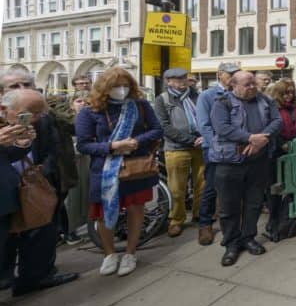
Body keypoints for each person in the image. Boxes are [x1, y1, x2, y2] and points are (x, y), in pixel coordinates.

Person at [76, 67, 162, 277]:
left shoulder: (140, 105)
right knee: (104, 214)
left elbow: (156, 129)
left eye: (125, 85)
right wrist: (112, 146)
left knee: (136, 210)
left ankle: (130, 253)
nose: (121, 90)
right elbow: (84, 145)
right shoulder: (90, 111)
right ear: (104, 88)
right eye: (116, 86)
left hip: (136, 168)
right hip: (105, 172)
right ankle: (110, 253)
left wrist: (135, 142)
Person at [0, 89, 79, 296]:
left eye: (39, 112)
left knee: (39, 235)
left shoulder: (41, 123)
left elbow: (11, 156)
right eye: (30, 112)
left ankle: (32, 278)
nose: (35, 118)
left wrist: (21, 145)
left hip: (26, 190)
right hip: (6, 195)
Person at [209, 70, 281, 266]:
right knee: (228, 206)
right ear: (234, 85)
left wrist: (262, 139)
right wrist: (250, 138)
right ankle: (231, 243)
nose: (252, 88)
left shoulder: (265, 100)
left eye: (253, 84)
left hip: (258, 162)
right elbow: (222, 128)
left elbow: (277, 121)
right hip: (229, 162)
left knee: (254, 202)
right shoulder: (221, 103)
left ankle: (248, 237)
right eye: (247, 85)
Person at [154, 68, 204, 237]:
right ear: (168, 82)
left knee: (202, 184)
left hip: (201, 146)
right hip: (176, 148)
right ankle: (176, 220)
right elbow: (164, 126)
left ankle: (200, 216)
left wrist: (203, 137)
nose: (182, 81)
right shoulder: (162, 100)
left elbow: (206, 118)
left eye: (183, 77)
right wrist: (190, 140)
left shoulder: (196, 96)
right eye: (176, 79)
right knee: (177, 189)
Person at [195, 61, 239, 245]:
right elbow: (204, 125)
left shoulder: (238, 94)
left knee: (232, 187)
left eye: (236, 74)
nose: (233, 77)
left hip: (236, 148)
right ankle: (205, 224)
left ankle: (231, 221)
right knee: (212, 186)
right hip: (215, 149)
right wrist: (218, 145)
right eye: (230, 74)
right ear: (220, 74)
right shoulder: (207, 95)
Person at [265, 78, 296, 241]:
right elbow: (271, 128)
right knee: (275, 188)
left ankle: (287, 217)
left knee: (295, 184)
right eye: (285, 93)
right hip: (277, 153)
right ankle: (273, 218)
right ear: (278, 93)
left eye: (291, 92)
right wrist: (282, 144)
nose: (289, 96)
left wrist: (295, 142)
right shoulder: (272, 107)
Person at [63, 91, 91, 243]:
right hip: (72, 162)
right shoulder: (67, 121)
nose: (83, 104)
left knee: (84, 194)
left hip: (86, 161)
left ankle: (83, 225)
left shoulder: (90, 118)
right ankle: (69, 230)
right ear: (72, 103)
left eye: (86, 102)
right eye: (79, 101)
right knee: (71, 199)